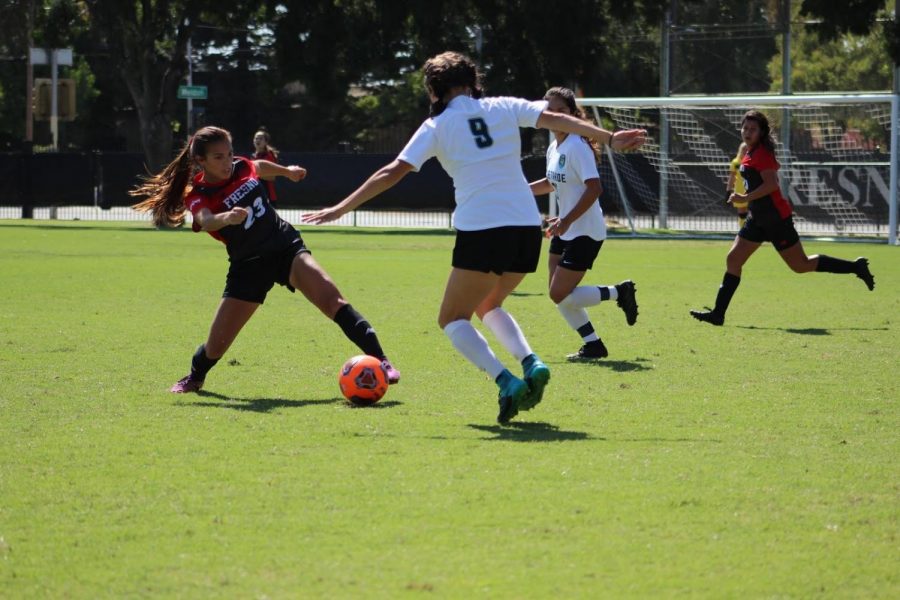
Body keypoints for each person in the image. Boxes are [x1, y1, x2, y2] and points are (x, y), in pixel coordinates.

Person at [302, 52, 646, 423]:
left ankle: (506, 381)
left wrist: (341, 208)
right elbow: (558, 118)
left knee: (451, 319)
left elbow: (393, 171)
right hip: (527, 229)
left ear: (435, 91)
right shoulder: (502, 106)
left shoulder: (436, 126)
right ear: (472, 82)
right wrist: (609, 137)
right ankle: (531, 363)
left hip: (483, 229)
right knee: (488, 305)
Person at [130, 125, 400, 393]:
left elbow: (258, 166)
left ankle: (383, 361)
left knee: (333, 301)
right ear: (200, 160)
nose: (227, 162)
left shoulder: (240, 166)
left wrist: (287, 172)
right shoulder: (198, 195)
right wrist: (228, 217)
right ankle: (195, 377)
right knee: (217, 345)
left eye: (229, 153)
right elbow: (206, 220)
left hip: (284, 246)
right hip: (248, 265)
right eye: (218, 157)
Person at [690, 110, 875, 326]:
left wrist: (744, 197)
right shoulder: (749, 153)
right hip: (757, 219)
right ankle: (718, 314)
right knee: (733, 259)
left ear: (761, 132)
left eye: (753, 129)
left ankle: (856, 267)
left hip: (776, 219)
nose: (747, 132)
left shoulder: (763, 154)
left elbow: (771, 185)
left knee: (800, 265)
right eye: (745, 128)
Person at [528, 86, 638, 361]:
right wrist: (519, 188)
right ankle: (593, 345)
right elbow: (552, 183)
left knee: (558, 293)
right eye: (549, 109)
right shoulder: (555, 146)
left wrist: (566, 219)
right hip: (565, 228)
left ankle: (618, 292)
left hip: (585, 231)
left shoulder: (577, 145)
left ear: (573, 114)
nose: (553, 114)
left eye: (560, 110)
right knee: (559, 294)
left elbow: (594, 189)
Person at [252, 128, 280, 203]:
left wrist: (254, 173)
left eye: (260, 138)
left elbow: (272, 177)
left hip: (268, 195)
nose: (257, 140)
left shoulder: (269, 155)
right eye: (256, 138)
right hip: (257, 195)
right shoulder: (254, 156)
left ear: (266, 142)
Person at [726, 142, 749, 227]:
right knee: (742, 212)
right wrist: (728, 190)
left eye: (747, 149)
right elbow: (732, 177)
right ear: (740, 150)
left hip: (752, 189)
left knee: (755, 211)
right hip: (740, 189)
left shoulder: (752, 160)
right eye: (744, 149)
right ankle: (743, 230)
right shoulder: (736, 162)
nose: (746, 151)